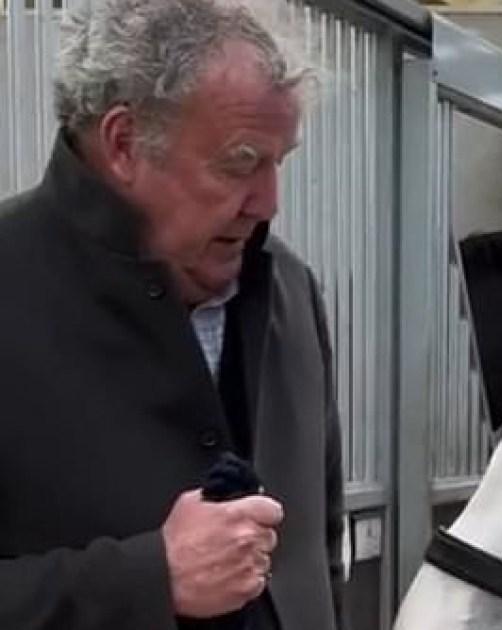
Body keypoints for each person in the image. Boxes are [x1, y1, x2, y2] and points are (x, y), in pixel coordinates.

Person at [0, 1, 346, 629]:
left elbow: (320, 552)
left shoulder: (292, 291)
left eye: (279, 161)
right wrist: (146, 580)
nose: (268, 203)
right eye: (241, 161)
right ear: (124, 143)